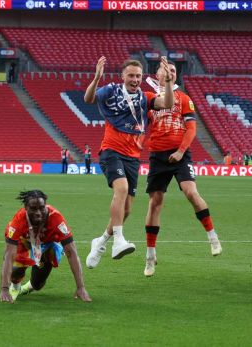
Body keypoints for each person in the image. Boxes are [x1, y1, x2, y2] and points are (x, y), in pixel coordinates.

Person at [83, 56, 173, 268]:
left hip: (133, 157)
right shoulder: (111, 90)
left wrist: (168, 82)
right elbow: (88, 99)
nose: (134, 79)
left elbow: (168, 103)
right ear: (122, 76)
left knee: (128, 209)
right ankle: (119, 241)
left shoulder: (145, 97)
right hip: (111, 150)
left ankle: (101, 241)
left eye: (138, 76)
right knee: (121, 189)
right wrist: (96, 78)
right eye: (131, 75)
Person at [141, 64, 221, 278]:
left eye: (174, 71)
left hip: (180, 154)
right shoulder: (148, 97)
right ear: (156, 75)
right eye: (166, 70)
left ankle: (212, 237)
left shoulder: (184, 98)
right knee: (155, 202)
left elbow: (192, 128)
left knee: (191, 192)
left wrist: (181, 150)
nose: (170, 73)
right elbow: (142, 123)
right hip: (158, 155)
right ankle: (150, 254)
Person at [0, 190, 91, 304]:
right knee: (16, 272)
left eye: (41, 208)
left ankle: (29, 286)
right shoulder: (18, 221)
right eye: (33, 208)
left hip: (47, 244)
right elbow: (9, 255)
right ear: (26, 207)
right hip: (24, 242)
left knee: (38, 285)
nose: (38, 212)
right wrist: (4, 288)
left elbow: (71, 252)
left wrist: (80, 287)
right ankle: (15, 285)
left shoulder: (56, 218)